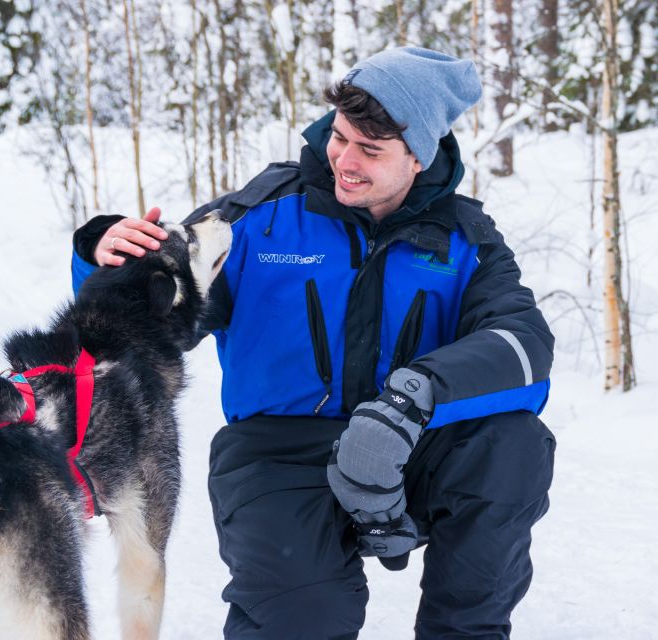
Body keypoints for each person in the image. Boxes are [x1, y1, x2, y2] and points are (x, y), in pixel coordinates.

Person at [71, 47, 556, 640]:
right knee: (304, 619)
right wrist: (103, 254)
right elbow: (153, 311)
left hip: (412, 447)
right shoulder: (262, 216)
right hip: (275, 455)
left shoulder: (464, 242)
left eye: (370, 151)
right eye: (340, 138)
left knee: (512, 443)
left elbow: (524, 347)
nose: (344, 161)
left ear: (419, 156)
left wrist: (411, 400)